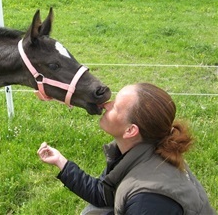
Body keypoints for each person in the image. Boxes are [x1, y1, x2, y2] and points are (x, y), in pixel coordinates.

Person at [37, 83, 216, 215]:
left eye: (115, 107)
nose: (105, 105)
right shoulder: (139, 150)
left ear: (131, 130)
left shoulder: (149, 200)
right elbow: (104, 195)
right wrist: (62, 162)